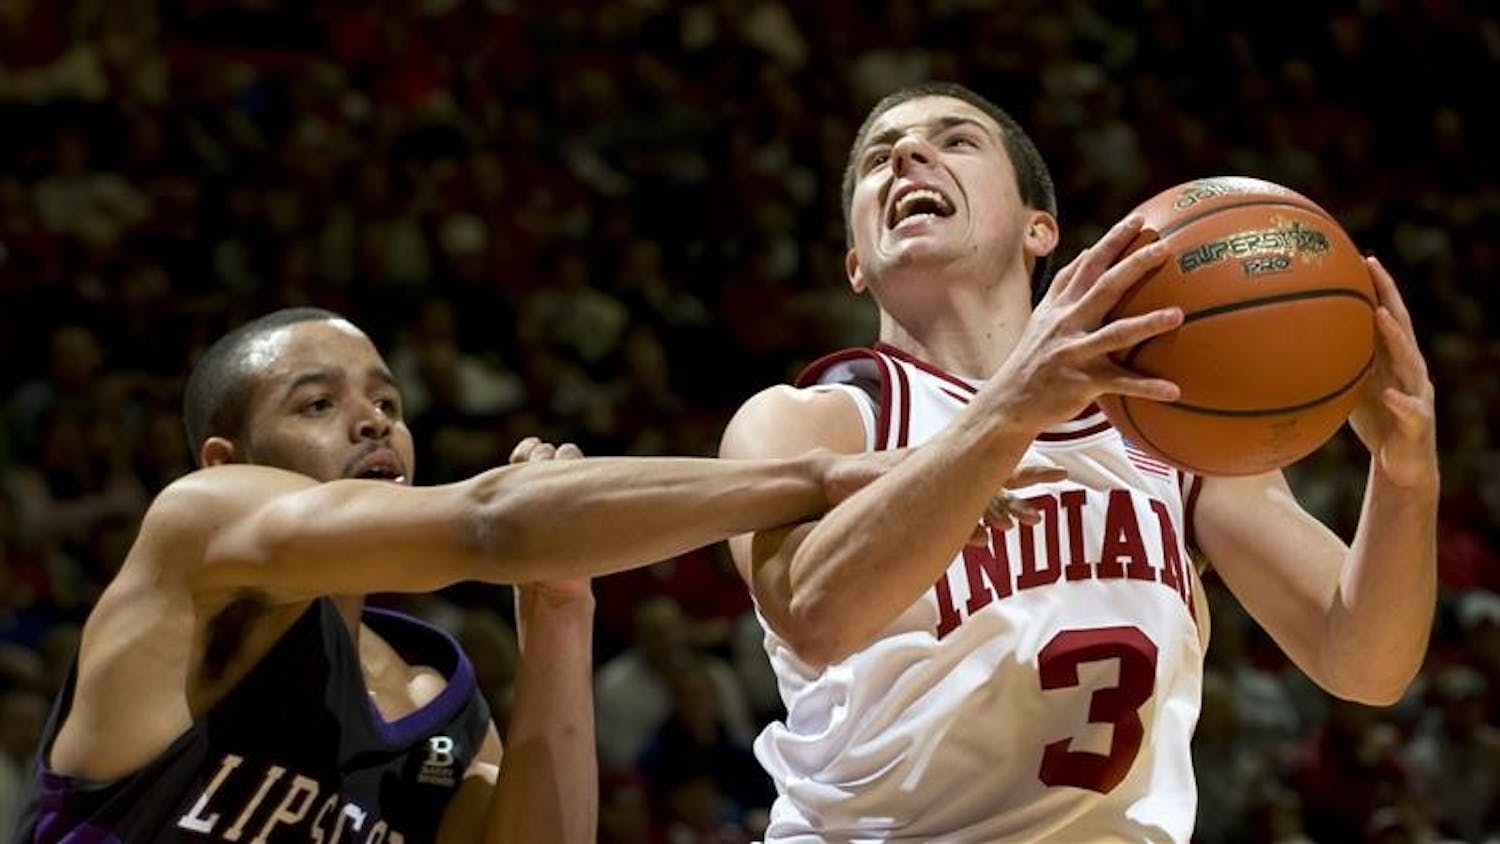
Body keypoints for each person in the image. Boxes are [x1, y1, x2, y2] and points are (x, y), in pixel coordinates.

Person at [719, 82, 1439, 841]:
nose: (906, 156)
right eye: (877, 159)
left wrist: (1404, 479)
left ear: (1040, 230)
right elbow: (813, 615)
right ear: (856, 265)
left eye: (957, 140)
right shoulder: (815, 419)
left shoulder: (1173, 430)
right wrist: (1011, 410)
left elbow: (1365, 662)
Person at [10, 306, 918, 844]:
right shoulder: (197, 532)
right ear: (226, 459)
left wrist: (561, 601)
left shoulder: (429, 688)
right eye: (319, 403)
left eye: (387, 402)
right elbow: (487, 523)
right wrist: (815, 477)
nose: (374, 424)